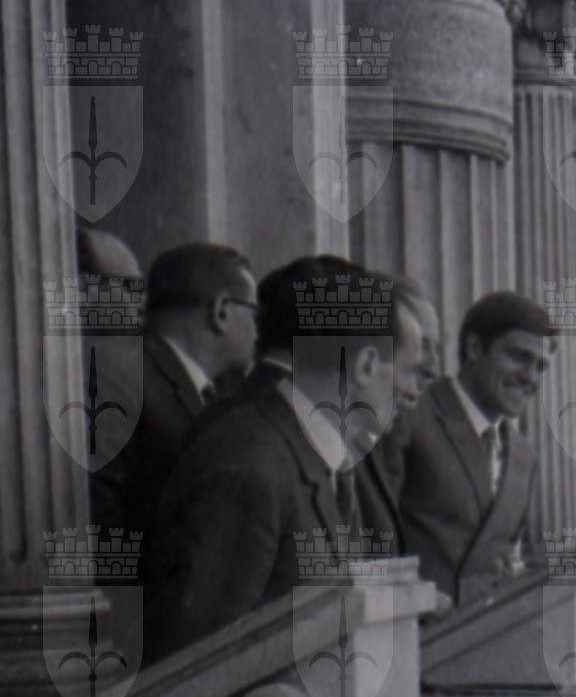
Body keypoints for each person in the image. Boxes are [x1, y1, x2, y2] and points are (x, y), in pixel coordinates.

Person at [142, 256, 421, 659]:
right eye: (409, 370)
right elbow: (196, 663)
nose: (413, 390)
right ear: (365, 365)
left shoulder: (318, 459)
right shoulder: (248, 462)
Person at [392, 290, 554, 611]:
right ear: (475, 348)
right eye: (519, 357)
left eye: (540, 366)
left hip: (485, 634)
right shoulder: (409, 415)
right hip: (410, 631)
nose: (530, 378)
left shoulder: (524, 456)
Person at [90, 243, 259, 547]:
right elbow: (97, 515)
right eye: (254, 314)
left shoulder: (220, 389)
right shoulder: (120, 377)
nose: (258, 331)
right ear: (221, 311)